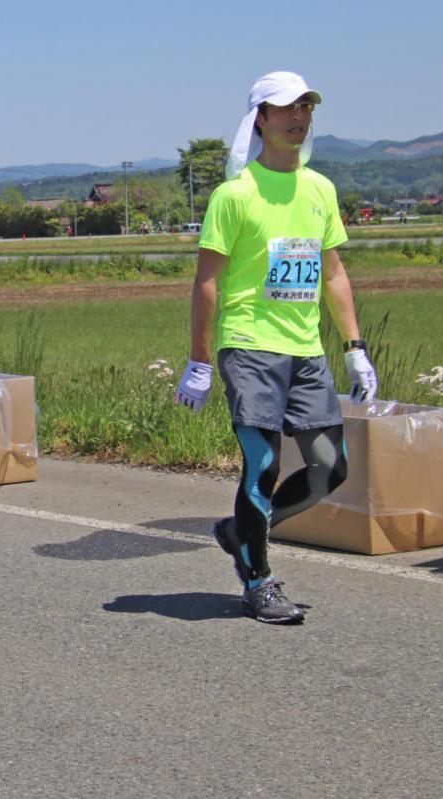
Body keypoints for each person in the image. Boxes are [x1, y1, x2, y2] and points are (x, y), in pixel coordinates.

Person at [176, 71, 378, 624]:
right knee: (261, 466)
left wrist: (354, 346)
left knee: (329, 468)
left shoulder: (319, 189)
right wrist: (199, 360)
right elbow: (208, 283)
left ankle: (242, 532)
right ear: (259, 118)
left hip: (306, 350)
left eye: (306, 107)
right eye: (285, 108)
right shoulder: (234, 195)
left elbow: (333, 273)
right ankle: (258, 581)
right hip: (249, 347)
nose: (299, 116)